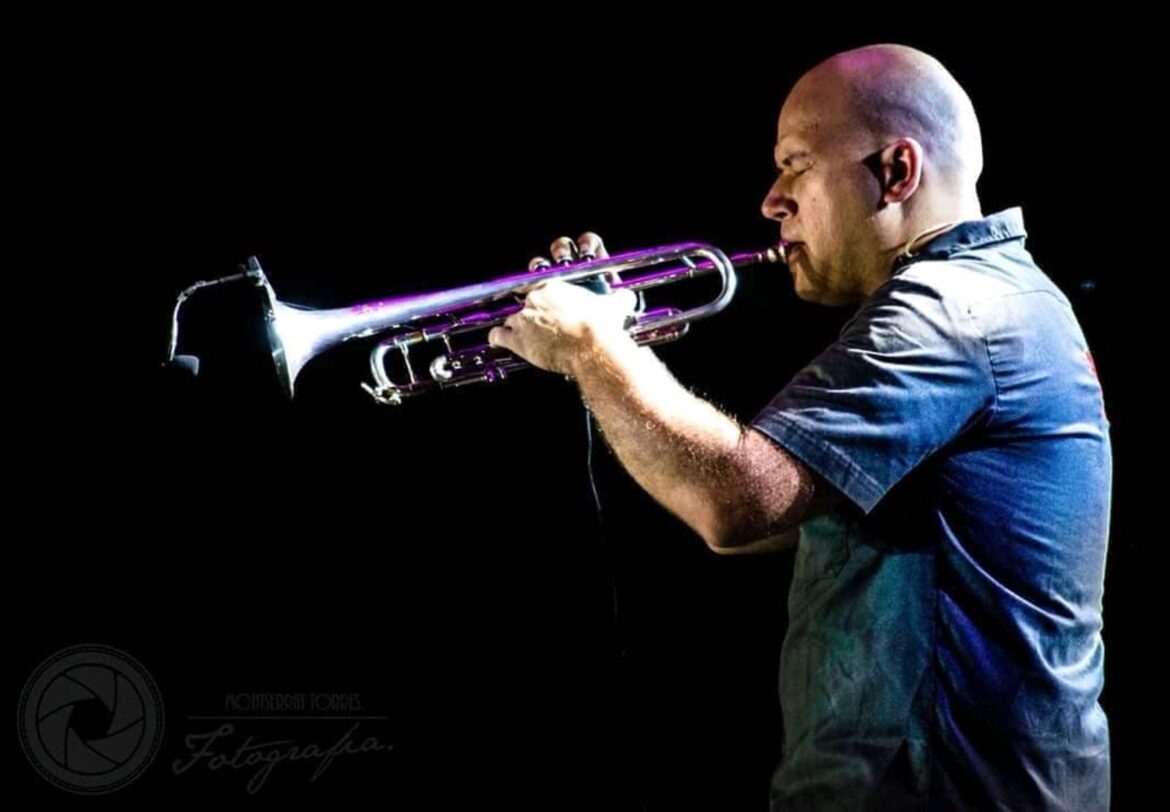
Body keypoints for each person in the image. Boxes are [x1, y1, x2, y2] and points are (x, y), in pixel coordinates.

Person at [488, 43, 1111, 811]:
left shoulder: (947, 315)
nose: (771, 202)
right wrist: (615, 357)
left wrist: (593, 347)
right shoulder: (1002, 297)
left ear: (896, 172)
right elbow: (780, 519)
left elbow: (735, 503)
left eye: (796, 166)